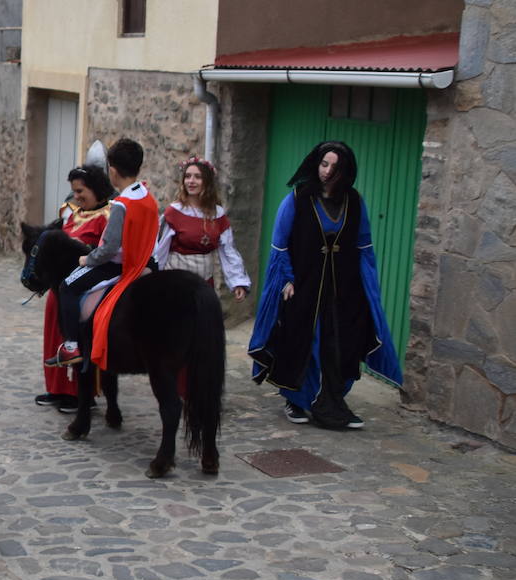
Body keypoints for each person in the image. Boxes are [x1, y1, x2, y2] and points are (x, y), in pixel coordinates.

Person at [248, 141, 401, 429]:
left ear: (346, 171)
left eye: (335, 166)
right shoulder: (296, 198)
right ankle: (296, 399)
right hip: (302, 286)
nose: (328, 171)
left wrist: (366, 287)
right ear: (316, 164)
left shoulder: (354, 201)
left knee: (338, 344)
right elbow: (279, 244)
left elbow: (363, 246)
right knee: (302, 342)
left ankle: (332, 401)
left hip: (342, 289)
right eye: (324, 164)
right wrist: (287, 278)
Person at [55, 138, 160, 373]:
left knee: (67, 286)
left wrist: (87, 259)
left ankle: (71, 346)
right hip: (147, 260)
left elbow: (109, 248)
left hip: (120, 265)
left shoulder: (122, 204)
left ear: (112, 171)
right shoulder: (146, 195)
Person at [38, 165, 114, 410]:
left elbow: (106, 250)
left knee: (80, 340)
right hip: (60, 286)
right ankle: (58, 389)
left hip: (87, 287)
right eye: (74, 191)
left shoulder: (109, 215)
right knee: (55, 336)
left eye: (81, 191)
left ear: (96, 188)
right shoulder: (72, 213)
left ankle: (80, 395)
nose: (77, 196)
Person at [153, 157, 251, 300]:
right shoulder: (174, 212)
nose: (191, 181)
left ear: (207, 182)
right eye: (187, 176)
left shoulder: (217, 215)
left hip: (203, 284)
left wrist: (238, 282)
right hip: (175, 283)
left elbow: (228, 250)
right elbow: (159, 250)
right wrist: (155, 280)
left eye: (197, 177)